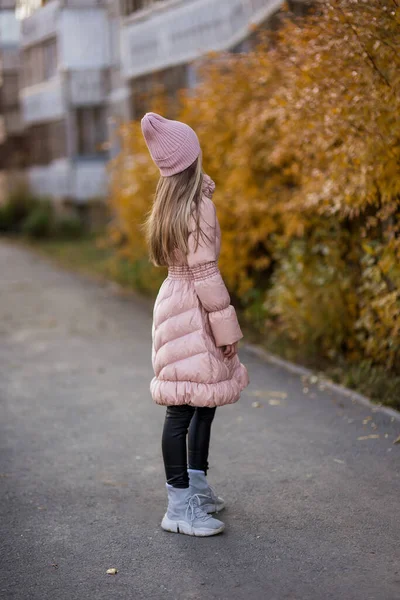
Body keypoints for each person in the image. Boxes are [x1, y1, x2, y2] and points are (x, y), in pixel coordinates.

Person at [141, 112, 249, 537]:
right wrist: (227, 333)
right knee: (184, 408)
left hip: (173, 302)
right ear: (193, 159)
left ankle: (196, 489)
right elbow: (205, 273)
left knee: (200, 401)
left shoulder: (168, 204)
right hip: (195, 309)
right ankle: (179, 506)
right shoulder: (198, 206)